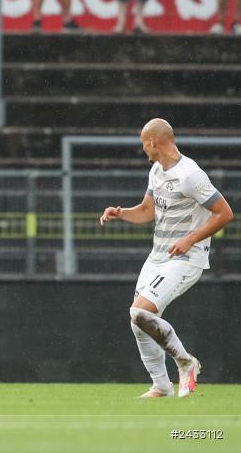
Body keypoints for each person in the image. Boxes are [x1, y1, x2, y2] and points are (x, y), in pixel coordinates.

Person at [99, 119, 233, 398]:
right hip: (158, 256)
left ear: (153, 142)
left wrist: (190, 239)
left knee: (141, 311)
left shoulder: (190, 175)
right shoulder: (157, 171)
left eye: (143, 144)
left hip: (186, 257)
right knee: (138, 321)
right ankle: (161, 386)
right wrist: (121, 212)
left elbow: (224, 213)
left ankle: (185, 362)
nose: (143, 150)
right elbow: (148, 211)